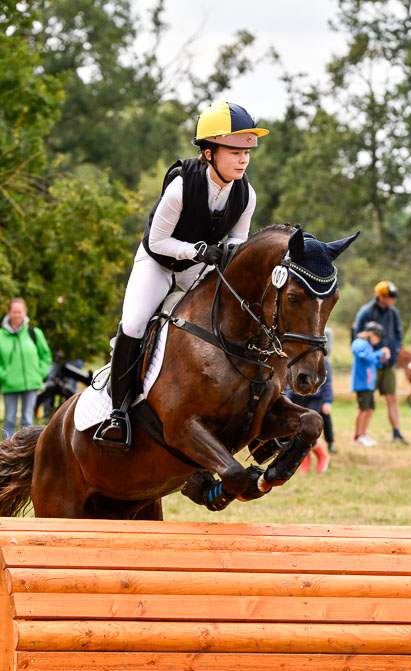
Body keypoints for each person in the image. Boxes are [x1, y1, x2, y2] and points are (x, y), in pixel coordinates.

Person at [94, 101, 269, 452]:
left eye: (247, 151)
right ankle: (118, 414)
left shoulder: (245, 194)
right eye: (234, 151)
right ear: (208, 152)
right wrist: (196, 251)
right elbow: (157, 241)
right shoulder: (180, 187)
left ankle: (251, 411)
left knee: (239, 316)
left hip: (197, 267)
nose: (243, 159)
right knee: (134, 324)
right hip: (157, 262)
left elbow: (237, 239)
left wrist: (229, 255)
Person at [352, 281, 408, 443]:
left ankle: (396, 433)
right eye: (390, 297)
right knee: (366, 401)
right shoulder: (366, 311)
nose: (393, 300)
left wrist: (395, 351)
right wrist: (370, 354)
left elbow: (398, 333)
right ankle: (360, 434)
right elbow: (357, 334)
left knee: (392, 397)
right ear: (380, 297)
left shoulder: (393, 313)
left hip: (388, 364)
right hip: (370, 365)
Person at [0, 298, 52, 439]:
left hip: (31, 383)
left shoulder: (34, 333)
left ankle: (26, 454)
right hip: (9, 384)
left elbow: (46, 356)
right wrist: (4, 375)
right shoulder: (1, 336)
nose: (17, 315)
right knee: (9, 420)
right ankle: (8, 454)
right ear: (9, 312)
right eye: (14, 312)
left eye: (20, 312)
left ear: (25, 313)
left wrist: (40, 373)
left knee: (27, 422)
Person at [286, 358, 333, 474]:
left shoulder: (322, 360)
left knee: (308, 430)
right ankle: (305, 461)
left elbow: (327, 382)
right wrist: (286, 399)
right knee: (297, 431)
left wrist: (328, 401)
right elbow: (287, 380)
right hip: (296, 397)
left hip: (315, 398)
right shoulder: (293, 358)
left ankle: (322, 456)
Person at [350, 321, 390, 446]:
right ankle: (358, 436)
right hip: (362, 383)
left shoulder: (369, 346)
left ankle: (363, 434)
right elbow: (367, 357)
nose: (378, 340)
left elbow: (374, 362)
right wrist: (380, 353)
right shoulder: (359, 343)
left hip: (369, 383)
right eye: (377, 337)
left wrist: (382, 359)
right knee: (363, 409)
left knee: (370, 409)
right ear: (371, 334)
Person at [322, 326, 337, 453]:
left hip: (318, 396)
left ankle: (330, 442)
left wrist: (327, 401)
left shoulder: (325, 362)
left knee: (325, 418)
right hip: (301, 398)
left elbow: (328, 383)